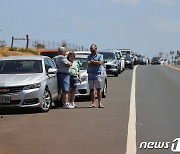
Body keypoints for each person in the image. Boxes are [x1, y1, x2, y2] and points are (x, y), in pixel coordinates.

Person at [87, 44, 104, 108]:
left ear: (95, 49)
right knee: (91, 89)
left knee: (99, 89)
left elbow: (100, 63)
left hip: (97, 74)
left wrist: (92, 61)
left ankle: (100, 103)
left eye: (92, 48)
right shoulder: (89, 56)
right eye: (90, 48)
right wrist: (95, 62)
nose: (91, 50)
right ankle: (93, 103)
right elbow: (88, 64)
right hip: (91, 74)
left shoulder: (100, 55)